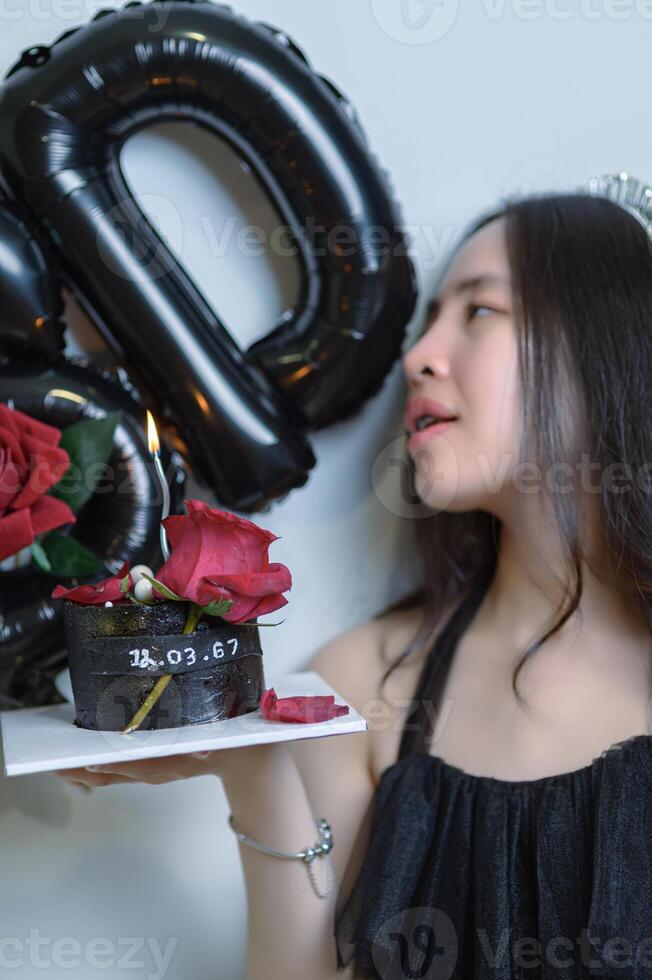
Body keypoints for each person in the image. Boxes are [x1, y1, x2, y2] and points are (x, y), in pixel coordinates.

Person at [53, 177, 652, 979]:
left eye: (479, 310)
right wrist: (252, 766)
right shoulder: (359, 685)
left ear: (604, 341)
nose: (418, 357)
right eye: (428, 318)